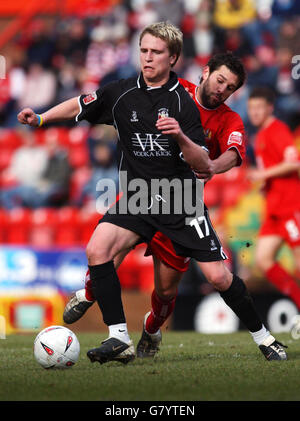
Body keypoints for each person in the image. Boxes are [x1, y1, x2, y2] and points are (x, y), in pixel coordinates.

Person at [63, 52, 287, 362]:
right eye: (220, 80)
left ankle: (153, 329)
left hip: (182, 205)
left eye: (230, 88)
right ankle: (92, 300)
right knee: (104, 251)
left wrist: (213, 165)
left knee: (178, 288)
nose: (223, 90)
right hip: (144, 193)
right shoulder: (172, 89)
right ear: (205, 72)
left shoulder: (229, 119)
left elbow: (233, 154)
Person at [18, 21, 213, 365]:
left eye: (156, 52)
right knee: (97, 249)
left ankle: (149, 327)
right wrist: (42, 119)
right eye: (144, 50)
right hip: (138, 197)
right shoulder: (121, 92)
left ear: (174, 58)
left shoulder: (184, 104)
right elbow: (80, 104)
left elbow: (203, 163)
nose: (148, 58)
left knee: (166, 291)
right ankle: (118, 337)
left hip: (177, 202)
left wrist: (182, 136)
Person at [247, 86, 300, 315]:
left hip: (290, 205)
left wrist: (263, 175)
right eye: (251, 108)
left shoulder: (277, 130)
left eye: (259, 107)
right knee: (263, 259)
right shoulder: (260, 135)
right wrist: (265, 185)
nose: (255, 112)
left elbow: (294, 163)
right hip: (274, 208)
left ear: (270, 108)